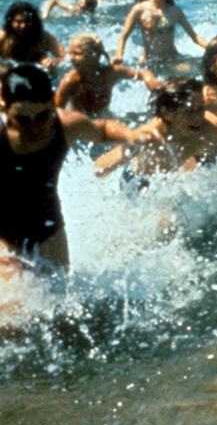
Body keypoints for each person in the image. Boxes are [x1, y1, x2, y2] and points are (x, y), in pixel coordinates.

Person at [0, 64, 159, 278]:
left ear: (52, 102)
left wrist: (130, 135)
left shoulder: (65, 125)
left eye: (43, 115)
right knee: (12, 305)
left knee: (57, 296)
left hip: (45, 221)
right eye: (22, 119)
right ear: (4, 107)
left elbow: (102, 129)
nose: (35, 126)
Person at [94, 77, 217, 186]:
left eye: (201, 108)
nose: (198, 117)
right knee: (166, 224)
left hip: (169, 182)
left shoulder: (207, 123)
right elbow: (99, 168)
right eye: (190, 111)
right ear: (168, 113)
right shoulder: (151, 133)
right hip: (139, 183)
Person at [115, 0, 207, 68]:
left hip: (172, 59)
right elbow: (123, 36)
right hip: (149, 61)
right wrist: (119, 56)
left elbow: (194, 36)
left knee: (193, 71)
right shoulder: (139, 10)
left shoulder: (175, 11)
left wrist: (210, 48)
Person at [55, 33, 161, 116]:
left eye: (77, 53)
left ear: (95, 55)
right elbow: (56, 112)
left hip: (104, 118)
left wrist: (150, 80)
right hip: (80, 123)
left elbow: (142, 73)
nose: (71, 58)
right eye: (70, 53)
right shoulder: (71, 81)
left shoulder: (111, 72)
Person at [0, 1, 65, 69]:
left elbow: (66, 57)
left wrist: (53, 61)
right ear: (11, 21)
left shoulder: (42, 37)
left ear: (33, 21)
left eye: (27, 21)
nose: (23, 26)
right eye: (19, 22)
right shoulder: (3, 37)